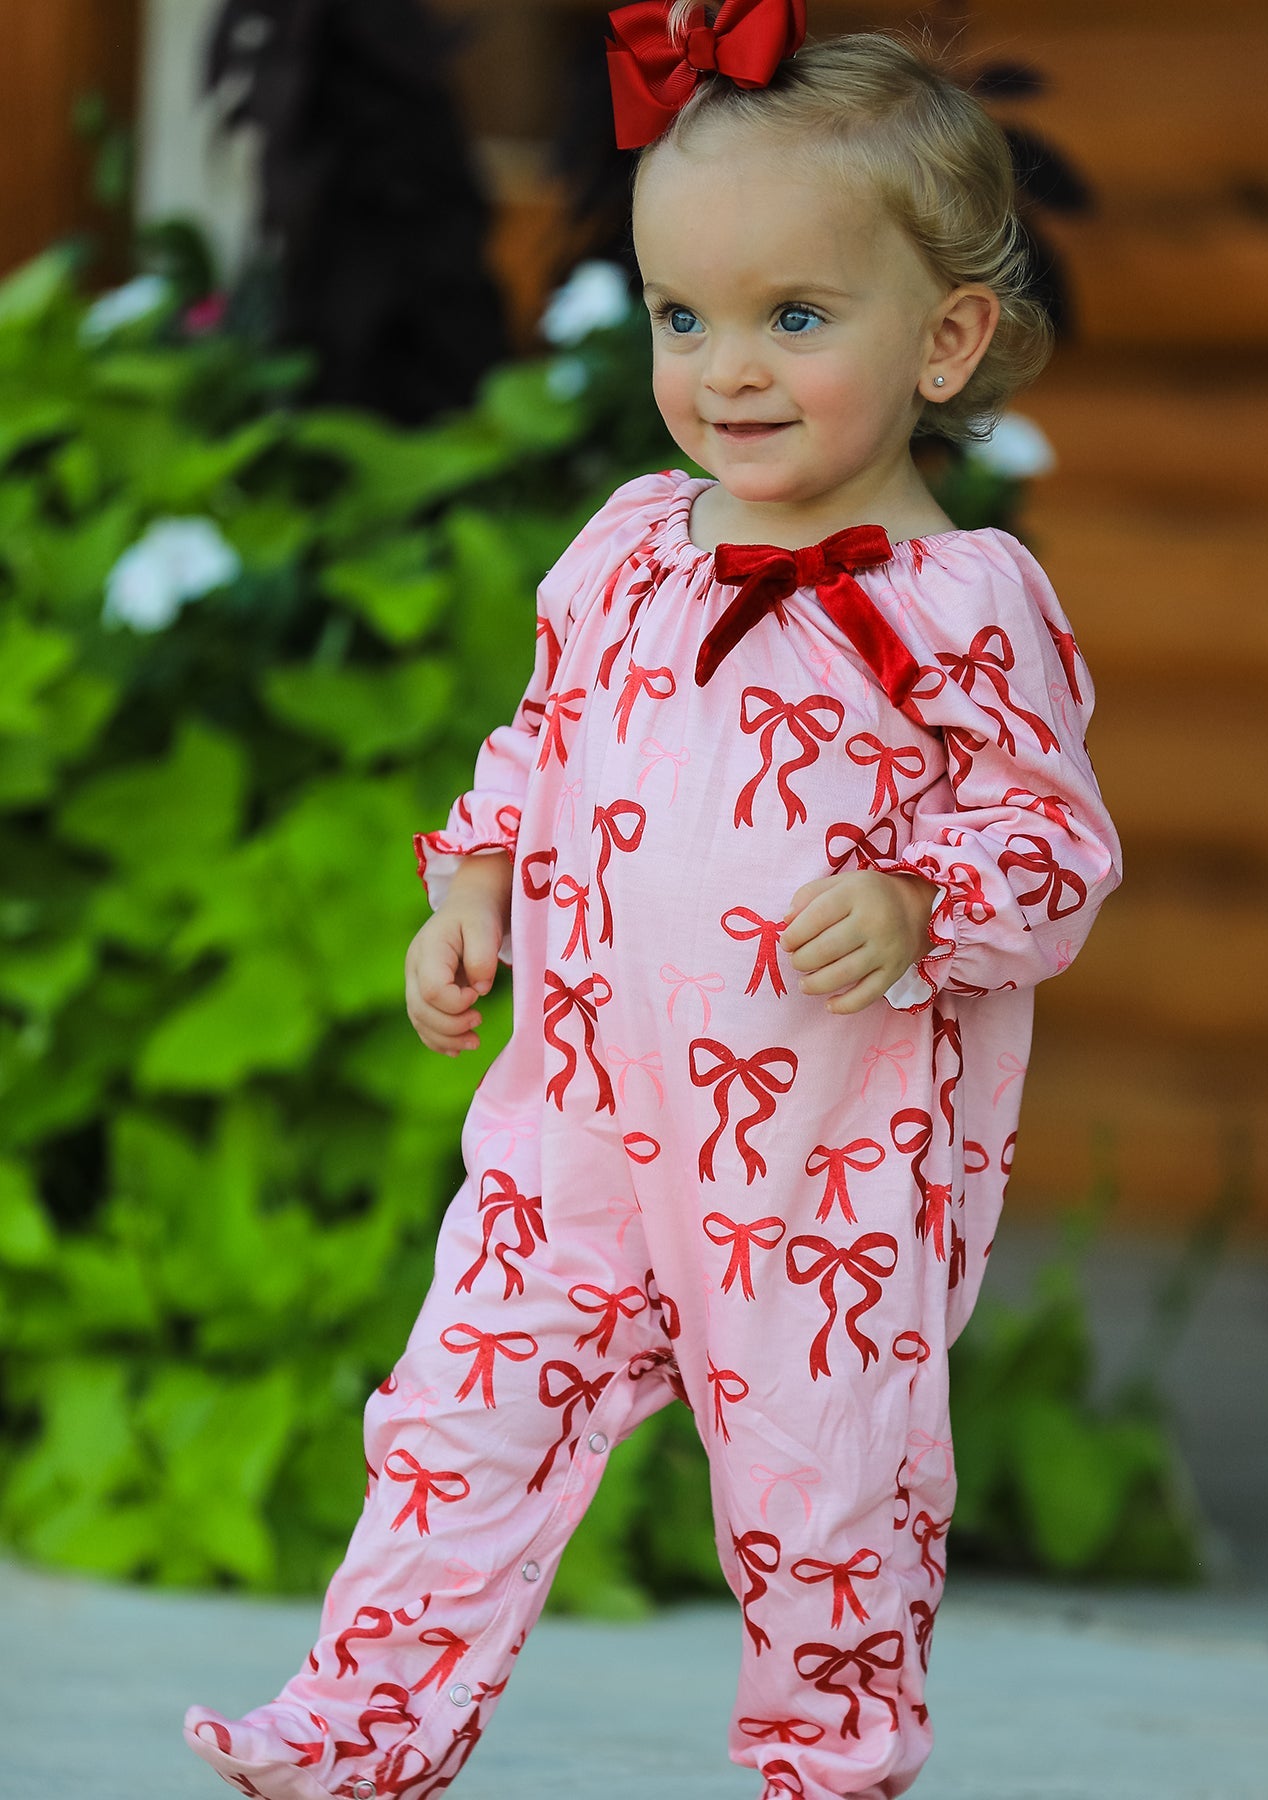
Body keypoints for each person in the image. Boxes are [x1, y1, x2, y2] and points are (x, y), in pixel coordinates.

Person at [184, 3, 1121, 1796]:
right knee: (458, 1413)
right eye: (682, 316)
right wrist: (472, 885)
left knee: (825, 1491)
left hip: (820, 1168)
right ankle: (355, 1732)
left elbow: (1050, 840)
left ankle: (825, 1765)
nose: (726, 371)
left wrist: (918, 897)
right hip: (583, 1122)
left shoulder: (957, 603)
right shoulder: (629, 547)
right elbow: (539, 744)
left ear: (944, 339)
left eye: (794, 318)